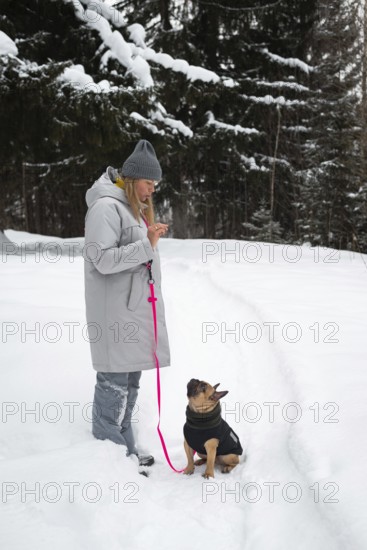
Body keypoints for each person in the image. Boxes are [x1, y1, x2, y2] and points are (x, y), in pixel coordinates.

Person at [83, 139, 171, 469]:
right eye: (149, 183)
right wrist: (146, 245)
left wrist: (148, 239)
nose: (152, 190)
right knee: (113, 386)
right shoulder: (106, 208)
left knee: (131, 383)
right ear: (133, 180)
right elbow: (102, 260)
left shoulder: (130, 208)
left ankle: (125, 449)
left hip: (131, 310)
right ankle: (110, 462)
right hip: (114, 314)